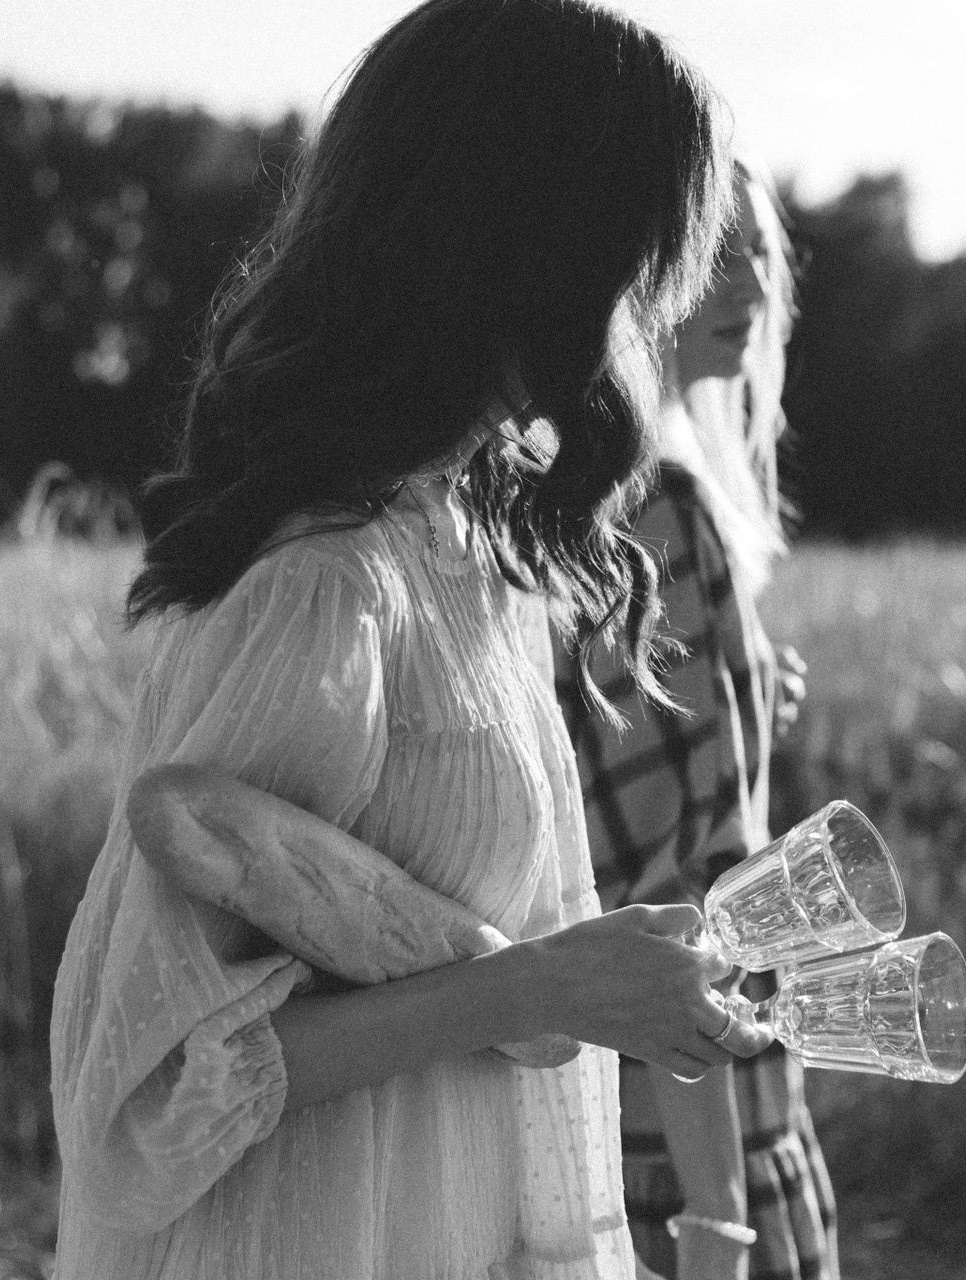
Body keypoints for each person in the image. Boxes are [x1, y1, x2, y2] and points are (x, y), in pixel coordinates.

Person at [46, 4, 770, 1278]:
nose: (647, 316)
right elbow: (141, 1095)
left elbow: (444, 964)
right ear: (546, 255)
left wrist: (582, 977)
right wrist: (543, 987)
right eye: (642, 261)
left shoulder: (467, 553)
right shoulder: (325, 592)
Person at [558, 163, 839, 1280]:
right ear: (635, 274)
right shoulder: (658, 513)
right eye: (716, 253)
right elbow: (680, 895)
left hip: (635, 1106)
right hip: (694, 1130)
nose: (753, 286)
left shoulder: (591, 496)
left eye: (761, 253)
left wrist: (751, 694)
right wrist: (721, 1216)